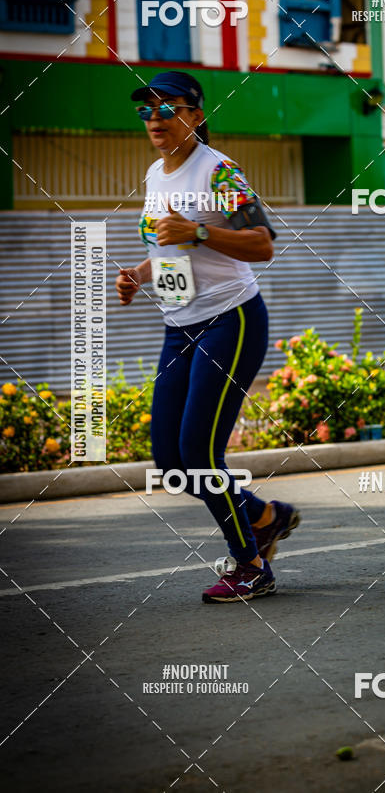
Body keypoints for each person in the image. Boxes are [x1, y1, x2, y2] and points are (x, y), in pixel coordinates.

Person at [115, 71, 300, 603]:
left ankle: (251, 566)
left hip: (230, 321)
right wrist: (139, 274)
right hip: (179, 328)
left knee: (199, 452)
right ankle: (264, 517)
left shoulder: (218, 171)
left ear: (195, 115)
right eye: (146, 110)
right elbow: (169, 247)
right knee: (170, 463)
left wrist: (197, 231)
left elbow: (262, 243)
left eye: (167, 108)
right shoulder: (155, 174)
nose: (154, 119)